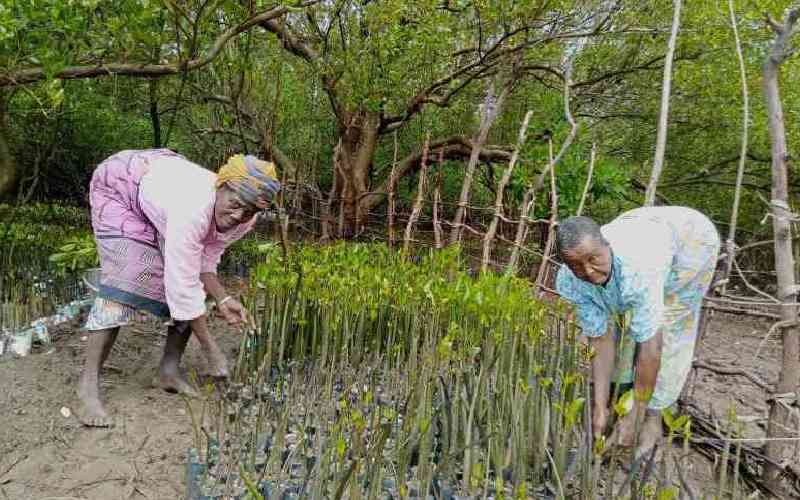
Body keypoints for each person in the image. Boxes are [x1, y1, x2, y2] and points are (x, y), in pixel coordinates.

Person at [78, 149, 281, 427]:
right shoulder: (193, 207)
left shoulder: (246, 219)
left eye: (249, 211)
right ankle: (87, 388)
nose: (238, 215)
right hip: (121, 185)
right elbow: (183, 284)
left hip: (162, 188)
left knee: (189, 284)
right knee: (124, 283)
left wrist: (223, 299)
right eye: (234, 204)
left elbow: (205, 260)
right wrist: (211, 349)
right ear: (221, 187)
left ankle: (168, 371)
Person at [555, 206, 719, 458]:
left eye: (593, 259)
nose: (588, 271)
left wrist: (637, 414)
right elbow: (600, 338)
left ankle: (652, 417)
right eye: (577, 265)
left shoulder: (639, 270)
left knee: (668, 324)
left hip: (691, 241)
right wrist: (599, 407)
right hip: (645, 228)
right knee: (626, 323)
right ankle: (616, 402)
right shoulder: (569, 280)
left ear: (606, 245)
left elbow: (651, 349)